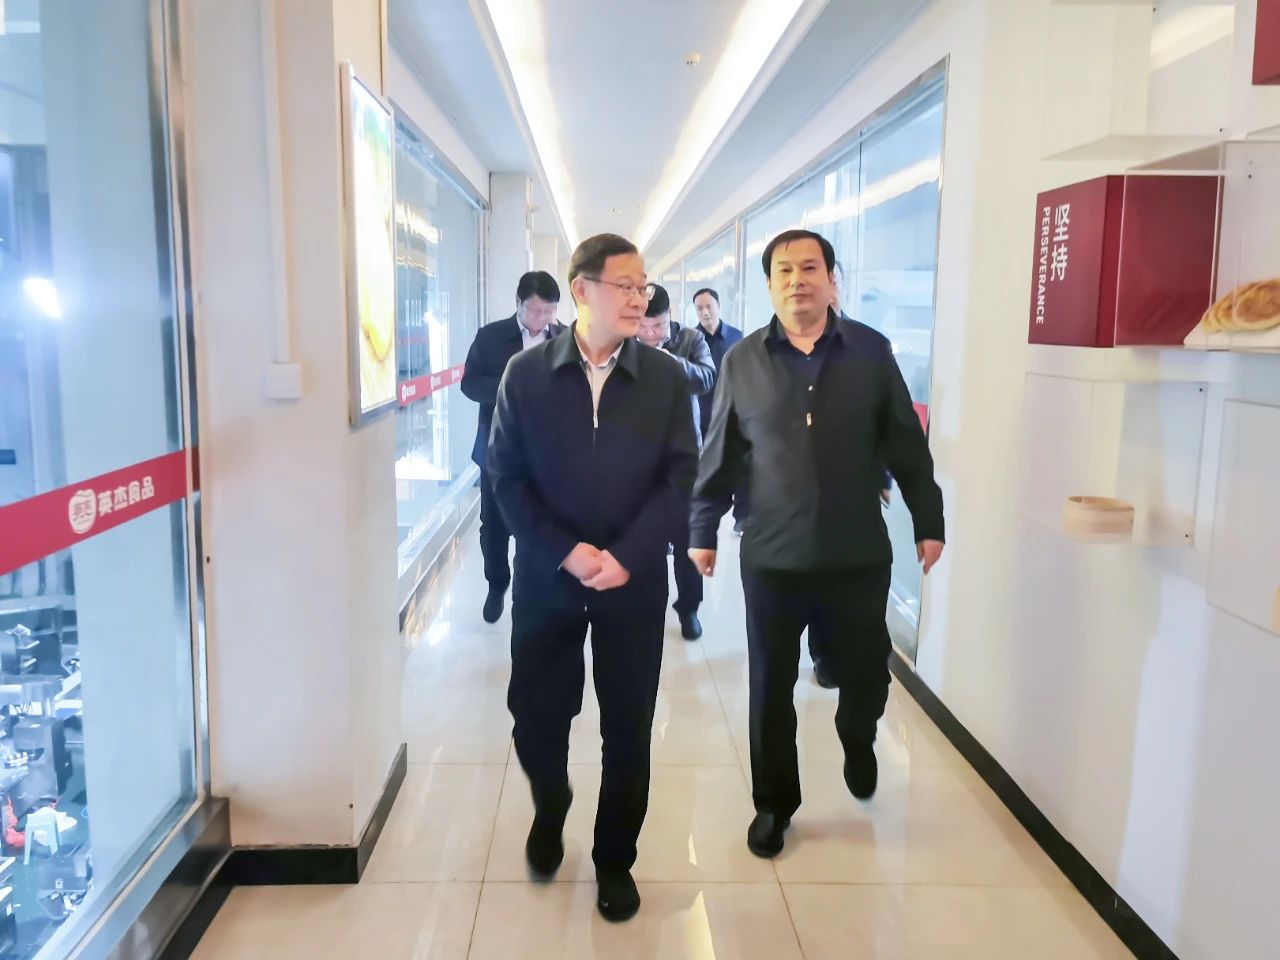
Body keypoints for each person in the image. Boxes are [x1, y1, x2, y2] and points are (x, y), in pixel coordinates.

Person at [688, 229, 944, 860]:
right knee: (770, 684)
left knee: (867, 670)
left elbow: (906, 444)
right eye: (784, 271)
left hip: (856, 553)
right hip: (772, 556)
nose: (797, 280)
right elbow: (719, 452)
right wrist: (702, 530)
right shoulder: (742, 361)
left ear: (832, 280)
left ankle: (858, 735)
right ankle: (774, 804)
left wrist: (929, 518)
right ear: (769, 285)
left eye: (809, 268)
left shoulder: (870, 351)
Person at [488, 234, 698, 922]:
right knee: (537, 720)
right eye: (625, 286)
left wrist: (629, 555)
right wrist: (563, 551)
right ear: (582, 290)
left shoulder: (665, 378)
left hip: (632, 584)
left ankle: (614, 860)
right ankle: (551, 805)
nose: (640, 299)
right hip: (549, 580)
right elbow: (505, 479)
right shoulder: (525, 374)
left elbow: (681, 478)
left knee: (628, 727)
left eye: (644, 286)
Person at [807, 262, 894, 690]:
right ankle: (822, 652)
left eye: (833, 280)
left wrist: (883, 475)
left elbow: (887, 417)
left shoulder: (868, 345)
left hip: (855, 487)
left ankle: (848, 652)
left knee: (851, 578)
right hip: (804, 486)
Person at [461, 271, 565, 623]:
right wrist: (512, 386)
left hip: (548, 454)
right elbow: (470, 384)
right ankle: (497, 584)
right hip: (498, 450)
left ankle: (530, 587)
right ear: (518, 304)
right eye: (535, 310)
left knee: (539, 522)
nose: (542, 319)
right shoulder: (491, 337)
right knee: (494, 525)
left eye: (549, 311)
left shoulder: (565, 339)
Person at [636, 284, 715, 640]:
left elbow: (707, 378)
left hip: (684, 456)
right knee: (644, 535)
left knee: (687, 538)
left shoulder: (691, 340)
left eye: (658, 326)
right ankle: (646, 605)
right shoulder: (625, 344)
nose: (650, 334)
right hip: (639, 457)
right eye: (643, 327)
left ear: (670, 317)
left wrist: (670, 363)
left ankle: (689, 608)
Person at [691, 287, 746, 535]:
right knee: (705, 471)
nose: (705, 312)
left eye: (709, 306)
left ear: (718, 307)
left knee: (740, 465)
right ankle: (702, 520)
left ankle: (742, 517)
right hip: (702, 414)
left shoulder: (736, 336)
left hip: (732, 412)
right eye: (699, 308)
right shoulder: (692, 339)